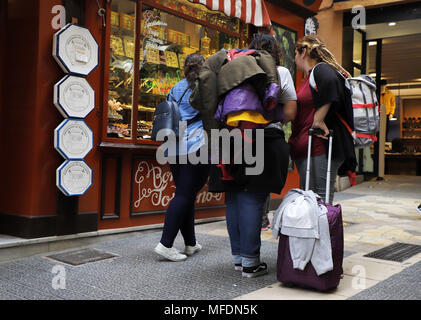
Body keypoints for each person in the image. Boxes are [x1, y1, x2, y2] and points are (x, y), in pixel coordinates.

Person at [207, 33, 294, 278]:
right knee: (253, 197)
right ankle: (250, 262)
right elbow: (290, 112)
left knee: (234, 195)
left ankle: (238, 257)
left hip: (228, 137)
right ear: (275, 51)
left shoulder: (231, 69)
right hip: (262, 139)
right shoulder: (279, 72)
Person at [154, 53, 210, 262]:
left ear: (184, 68)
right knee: (185, 195)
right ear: (203, 67)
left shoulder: (175, 87)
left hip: (173, 145)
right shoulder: (205, 87)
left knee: (185, 194)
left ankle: (190, 243)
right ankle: (165, 244)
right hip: (195, 144)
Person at [290, 35, 356, 204]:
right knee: (310, 201)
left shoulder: (320, 69)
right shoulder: (309, 77)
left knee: (321, 200)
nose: (294, 58)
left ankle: (323, 231)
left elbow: (331, 83)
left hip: (320, 147)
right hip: (309, 148)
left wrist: (318, 120)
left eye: (295, 54)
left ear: (303, 52)